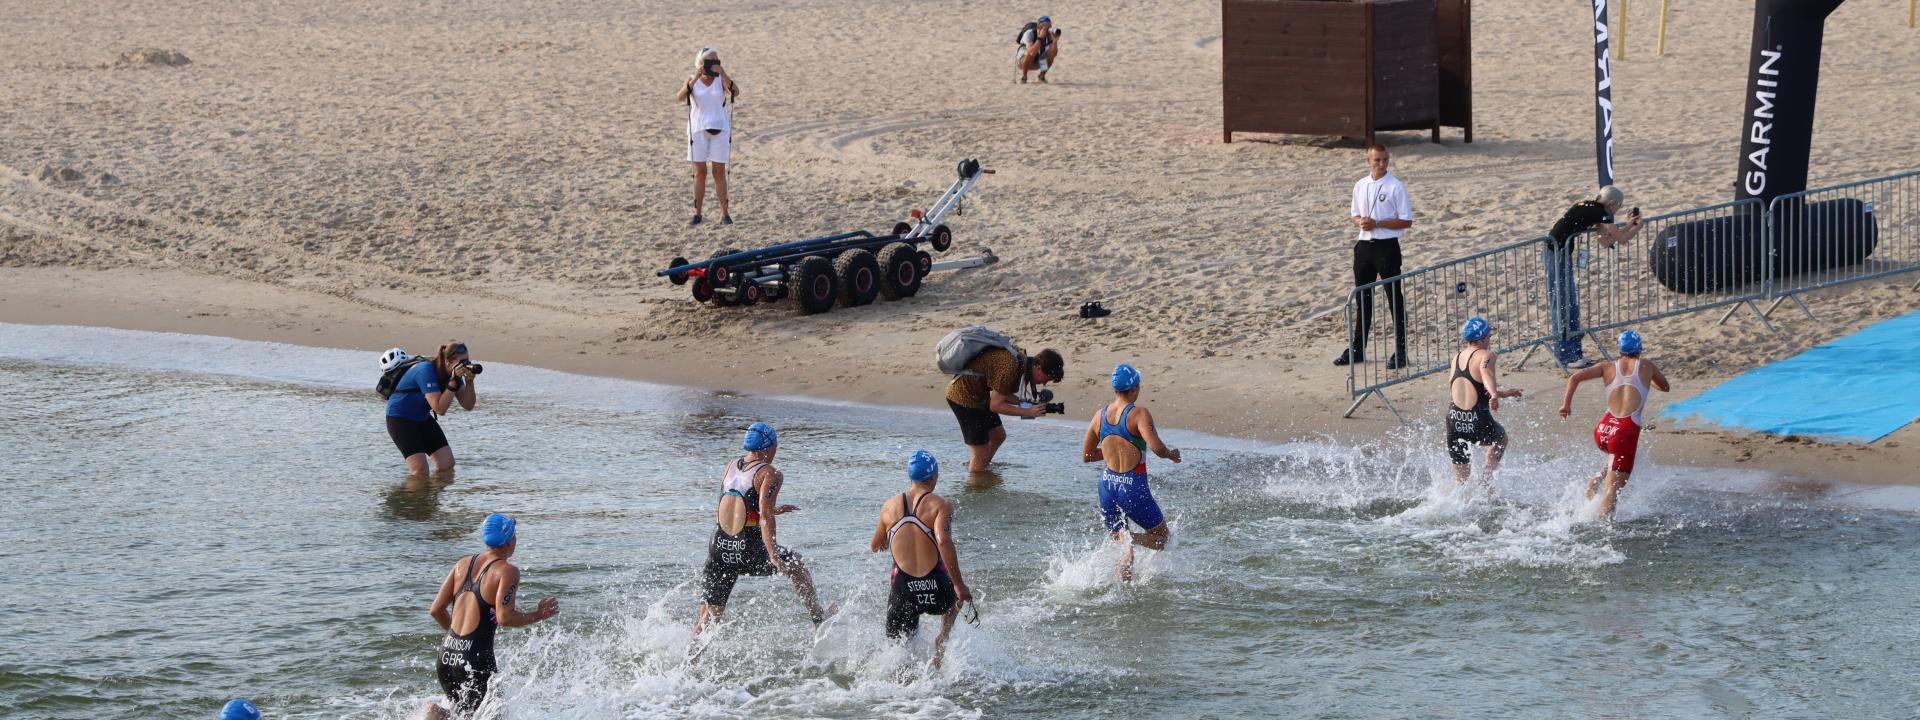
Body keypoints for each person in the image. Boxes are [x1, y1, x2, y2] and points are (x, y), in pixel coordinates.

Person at [694, 422, 827, 635]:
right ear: (768, 447)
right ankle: (819, 619)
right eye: (776, 446)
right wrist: (773, 554)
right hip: (747, 549)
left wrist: (772, 509)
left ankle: (688, 652)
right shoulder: (770, 473)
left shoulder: (730, 466)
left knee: (707, 621)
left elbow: (732, 506)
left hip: (719, 547)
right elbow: (765, 516)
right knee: (796, 564)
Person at [423, 513, 560, 720]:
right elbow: (505, 617)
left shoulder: (463, 564)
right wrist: (538, 615)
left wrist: (458, 641)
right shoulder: (507, 571)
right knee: (495, 715)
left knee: (461, 715)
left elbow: (436, 610)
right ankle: (434, 713)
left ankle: (435, 714)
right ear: (509, 540)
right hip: (475, 660)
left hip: (446, 656)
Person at [868, 451, 973, 668]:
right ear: (933, 476)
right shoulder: (941, 505)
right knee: (955, 599)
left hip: (903, 589)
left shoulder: (889, 506)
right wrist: (959, 585)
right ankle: (942, 639)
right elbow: (944, 541)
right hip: (936, 586)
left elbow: (876, 546)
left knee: (899, 652)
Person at [1079, 363, 1182, 581]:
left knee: (1121, 546)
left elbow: (1087, 455)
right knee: (1163, 539)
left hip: (1107, 486)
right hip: (1132, 487)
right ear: (1134, 388)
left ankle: (1124, 577)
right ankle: (1131, 538)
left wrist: (1113, 452)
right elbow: (1156, 447)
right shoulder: (1139, 414)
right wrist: (1170, 454)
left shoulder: (1100, 415)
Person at [1557, 330, 1670, 519]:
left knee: (1614, 454)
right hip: (1624, 431)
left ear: (1620, 349)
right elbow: (1665, 387)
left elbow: (1574, 378)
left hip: (1603, 429)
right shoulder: (1646, 366)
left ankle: (1594, 483)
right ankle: (1603, 529)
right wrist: (1647, 379)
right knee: (1612, 492)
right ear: (1639, 348)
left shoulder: (1606, 366)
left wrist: (1566, 405)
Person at [1545, 186, 1644, 368]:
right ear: (1612, 204)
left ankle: (1572, 354)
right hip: (1556, 253)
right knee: (1563, 304)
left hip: (1559, 252)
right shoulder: (1602, 213)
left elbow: (1605, 241)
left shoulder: (1591, 207)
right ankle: (1565, 356)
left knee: (1570, 305)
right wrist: (1636, 227)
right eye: (1619, 206)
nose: (1618, 210)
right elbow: (1621, 239)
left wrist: (1629, 225)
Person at [1337, 143, 1414, 369]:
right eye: (1377, 160)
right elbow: (1354, 214)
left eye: (1385, 160)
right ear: (1368, 161)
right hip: (1364, 246)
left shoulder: (1395, 186)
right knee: (1363, 298)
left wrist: (1378, 223)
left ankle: (1401, 351)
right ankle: (1357, 348)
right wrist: (1360, 222)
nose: (1382, 164)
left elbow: (1406, 220)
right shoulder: (1360, 185)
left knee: (1394, 298)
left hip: (1387, 247)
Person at [945, 344, 1065, 472]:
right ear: (1038, 367)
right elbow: (996, 405)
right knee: (981, 451)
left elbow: (1003, 393)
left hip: (979, 397)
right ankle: (977, 475)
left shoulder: (1020, 361)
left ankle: (982, 466)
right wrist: (1028, 411)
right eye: (1046, 378)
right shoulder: (1011, 367)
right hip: (963, 397)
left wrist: (1024, 403)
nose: (1045, 383)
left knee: (998, 435)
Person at [1445, 317, 1522, 490]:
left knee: (1459, 482)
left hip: (1454, 420)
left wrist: (1503, 394)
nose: (1489, 339)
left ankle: (1439, 501)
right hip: (1476, 419)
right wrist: (1494, 393)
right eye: (1488, 335)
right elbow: (1486, 373)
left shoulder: (1456, 357)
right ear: (1482, 338)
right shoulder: (1486, 356)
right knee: (1501, 439)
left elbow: (1471, 390)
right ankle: (1486, 481)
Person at [385, 342, 479, 477]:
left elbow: (468, 405)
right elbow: (439, 409)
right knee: (420, 471)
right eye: (462, 362)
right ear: (447, 362)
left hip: (422, 417)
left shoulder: (454, 375)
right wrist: (453, 382)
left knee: (446, 464)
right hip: (400, 418)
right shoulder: (425, 370)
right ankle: (414, 491)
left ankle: (433, 491)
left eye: (467, 361)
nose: (465, 365)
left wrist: (469, 382)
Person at [675, 47, 739, 226]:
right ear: (701, 63)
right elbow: (680, 97)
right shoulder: (692, 79)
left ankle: (725, 214)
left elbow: (736, 92)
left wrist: (723, 73)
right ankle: (698, 213)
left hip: (719, 129)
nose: (714, 64)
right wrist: (696, 76)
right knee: (700, 172)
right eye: (710, 61)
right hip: (697, 130)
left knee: (719, 172)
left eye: (716, 60)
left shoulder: (720, 80)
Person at [1015, 16, 1061, 84]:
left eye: (1049, 26)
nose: (1048, 28)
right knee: (1029, 53)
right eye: (1046, 26)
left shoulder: (1049, 36)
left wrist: (1054, 41)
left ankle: (1041, 76)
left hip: (1039, 62)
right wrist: (1040, 38)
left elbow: (1054, 54)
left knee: (1050, 55)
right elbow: (1031, 52)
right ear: (1039, 27)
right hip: (1022, 62)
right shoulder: (1029, 33)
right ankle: (1024, 77)